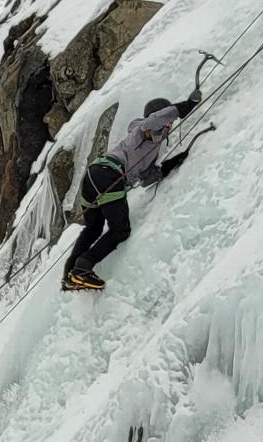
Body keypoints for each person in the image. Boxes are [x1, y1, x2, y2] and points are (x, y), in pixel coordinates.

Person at [62, 85, 203, 291]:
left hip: (94, 175)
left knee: (93, 227)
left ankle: (70, 275)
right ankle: (83, 267)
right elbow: (155, 120)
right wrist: (187, 105)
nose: (169, 126)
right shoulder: (141, 130)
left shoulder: (151, 149)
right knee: (121, 230)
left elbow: (146, 179)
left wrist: (173, 162)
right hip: (110, 175)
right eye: (168, 122)